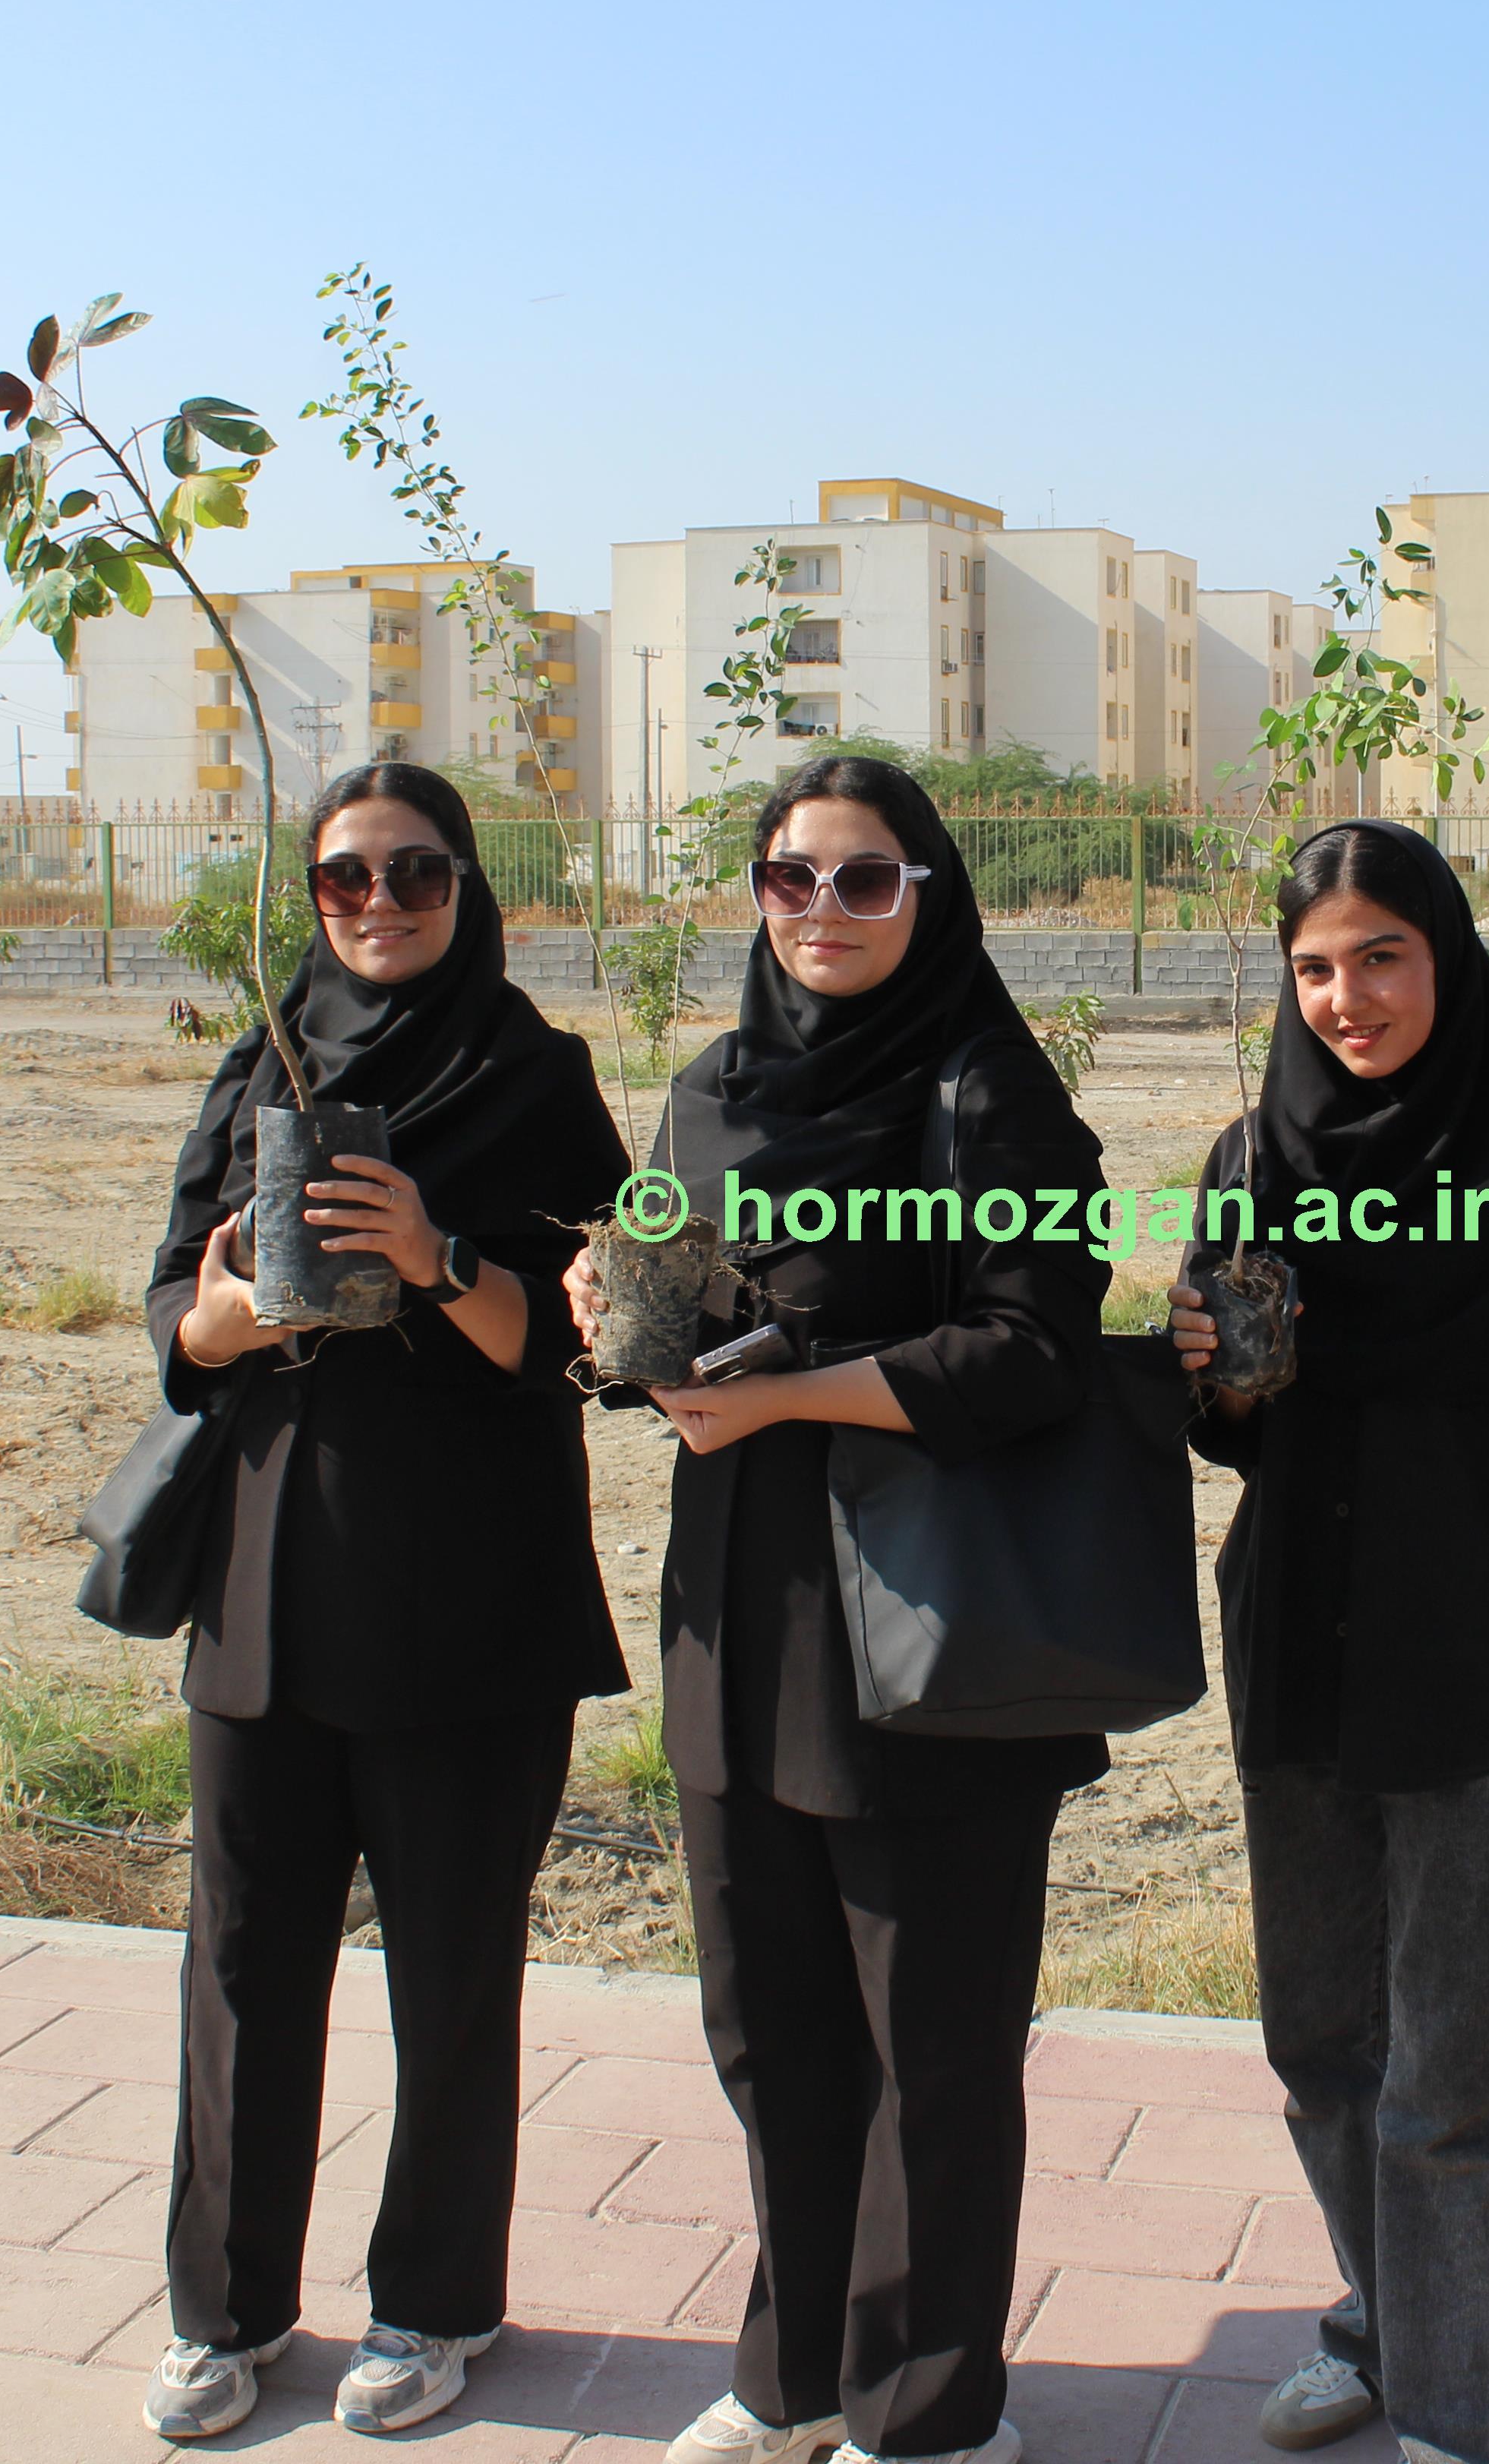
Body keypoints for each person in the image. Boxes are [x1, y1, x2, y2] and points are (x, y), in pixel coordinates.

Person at [564, 755, 1109, 2464]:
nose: (823, 910)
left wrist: (796, 1396)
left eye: (866, 879)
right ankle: (797, 2373)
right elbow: (661, 1324)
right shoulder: (711, 1089)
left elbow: (1034, 1349)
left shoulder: (987, 1097)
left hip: (927, 1628)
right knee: (769, 2023)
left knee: (929, 2044)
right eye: (790, 878)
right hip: (741, 1612)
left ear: (926, 897)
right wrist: (608, 1309)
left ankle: (928, 2410)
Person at [138, 763, 633, 2441]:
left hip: (470, 1603)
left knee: (453, 1975)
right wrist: (218, 1325)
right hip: (266, 1588)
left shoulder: (533, 1076)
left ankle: (435, 2303)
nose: (380, 903)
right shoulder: (262, 1063)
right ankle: (224, 2311)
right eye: (346, 877)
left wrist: (434, 1258)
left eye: (417, 873)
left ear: (467, 887)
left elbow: (588, 1341)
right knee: (241, 1966)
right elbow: (173, 1296)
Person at [1165, 820, 1489, 2464]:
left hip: (1473, 1656)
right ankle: (1387, 2324)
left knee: (1462, 2067)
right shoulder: (1253, 1160)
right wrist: (1209, 1369)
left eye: (1382, 957)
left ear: (1445, 957)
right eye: (1314, 968)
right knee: (1320, 2039)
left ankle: (1470, 2411)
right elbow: (1231, 1430)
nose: (1348, 998)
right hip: (1298, 1634)